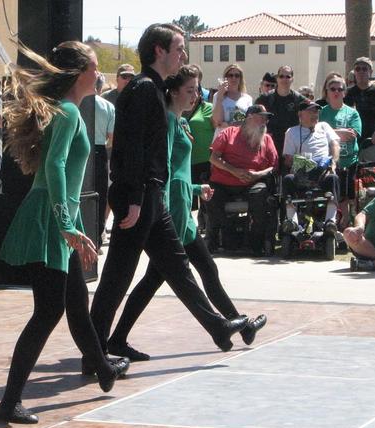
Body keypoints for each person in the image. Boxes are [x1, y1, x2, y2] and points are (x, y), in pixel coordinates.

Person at [89, 23, 252, 363]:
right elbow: (132, 149)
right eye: (178, 48)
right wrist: (134, 198)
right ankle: (94, 353)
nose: (183, 55)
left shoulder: (152, 89)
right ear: (159, 51)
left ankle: (217, 326)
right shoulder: (144, 88)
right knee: (118, 276)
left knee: (178, 266)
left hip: (151, 195)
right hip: (140, 196)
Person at [0, 41, 130, 424]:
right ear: (79, 73)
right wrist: (68, 225)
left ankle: (103, 368)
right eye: (93, 65)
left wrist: (69, 224)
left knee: (75, 303)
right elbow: (54, 167)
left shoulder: (67, 109)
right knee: (48, 310)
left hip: (54, 216)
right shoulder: (69, 112)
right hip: (51, 218)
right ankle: (10, 402)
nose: (99, 71)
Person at [206, 104, 279, 255]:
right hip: (224, 181)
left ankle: (256, 243)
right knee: (212, 196)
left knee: (261, 195)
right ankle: (216, 239)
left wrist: (257, 175)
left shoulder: (267, 139)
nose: (265, 121)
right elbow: (213, 158)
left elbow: (273, 167)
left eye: (267, 119)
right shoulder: (229, 133)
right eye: (262, 117)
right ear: (250, 117)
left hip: (252, 182)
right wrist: (234, 171)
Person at [282, 100, 341, 233]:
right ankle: (292, 222)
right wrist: (304, 163)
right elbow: (288, 159)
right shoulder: (292, 132)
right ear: (300, 114)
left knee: (333, 178)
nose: (315, 114)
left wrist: (333, 163)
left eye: (316, 111)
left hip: (323, 170)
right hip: (302, 171)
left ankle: (330, 221)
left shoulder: (324, 126)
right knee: (288, 179)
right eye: (311, 111)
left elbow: (335, 144)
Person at [320, 75, 362, 229]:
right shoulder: (321, 113)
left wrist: (330, 131)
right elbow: (318, 134)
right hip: (328, 162)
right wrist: (340, 132)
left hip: (348, 161)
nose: (336, 92)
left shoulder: (352, 113)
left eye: (340, 89)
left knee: (349, 197)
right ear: (327, 91)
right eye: (332, 89)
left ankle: (347, 225)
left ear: (345, 92)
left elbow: (352, 135)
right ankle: (333, 225)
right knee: (332, 196)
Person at [186, 64, 215, 233]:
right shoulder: (179, 110)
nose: (194, 94)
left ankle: (206, 228)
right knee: (188, 200)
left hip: (204, 159)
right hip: (185, 161)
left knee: (205, 198)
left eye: (196, 90)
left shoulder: (208, 108)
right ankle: (188, 228)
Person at [344, 57, 375, 163]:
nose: (361, 72)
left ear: (371, 72)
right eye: (358, 69)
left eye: (364, 69)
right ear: (354, 72)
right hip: (353, 144)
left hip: (374, 144)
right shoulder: (348, 94)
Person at [255, 65, 307, 159]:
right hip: (269, 144)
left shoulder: (299, 99)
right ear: (277, 78)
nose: (284, 79)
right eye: (281, 76)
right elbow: (253, 120)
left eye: (288, 76)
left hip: (291, 146)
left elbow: (310, 119)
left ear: (292, 79)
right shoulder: (264, 99)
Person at [94, 74, 115, 250]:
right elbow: (112, 138)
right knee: (100, 195)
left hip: (78, 149)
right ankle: (97, 239)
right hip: (99, 150)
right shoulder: (107, 106)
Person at [211, 64, 252, 138]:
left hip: (240, 139)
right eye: (230, 75)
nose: (234, 78)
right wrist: (220, 96)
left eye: (237, 75)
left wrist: (228, 125)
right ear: (226, 78)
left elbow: (249, 122)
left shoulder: (247, 98)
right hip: (222, 139)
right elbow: (217, 121)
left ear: (240, 78)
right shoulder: (218, 95)